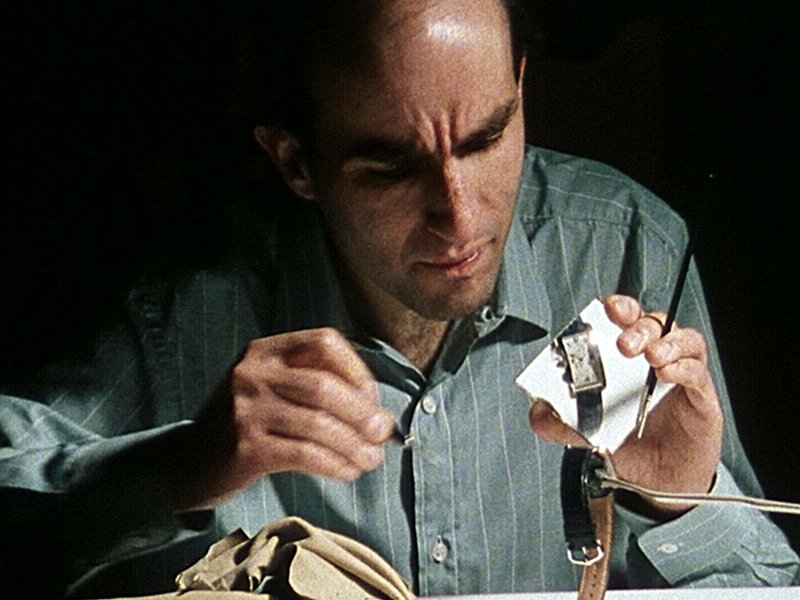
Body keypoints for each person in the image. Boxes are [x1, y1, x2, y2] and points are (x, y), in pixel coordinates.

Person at [1, 0, 797, 597]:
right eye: (391, 167)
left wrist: (681, 503)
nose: (462, 214)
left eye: (487, 138)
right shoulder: (176, 301)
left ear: (521, 84)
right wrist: (177, 468)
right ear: (296, 162)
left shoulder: (624, 247)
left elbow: (768, 582)